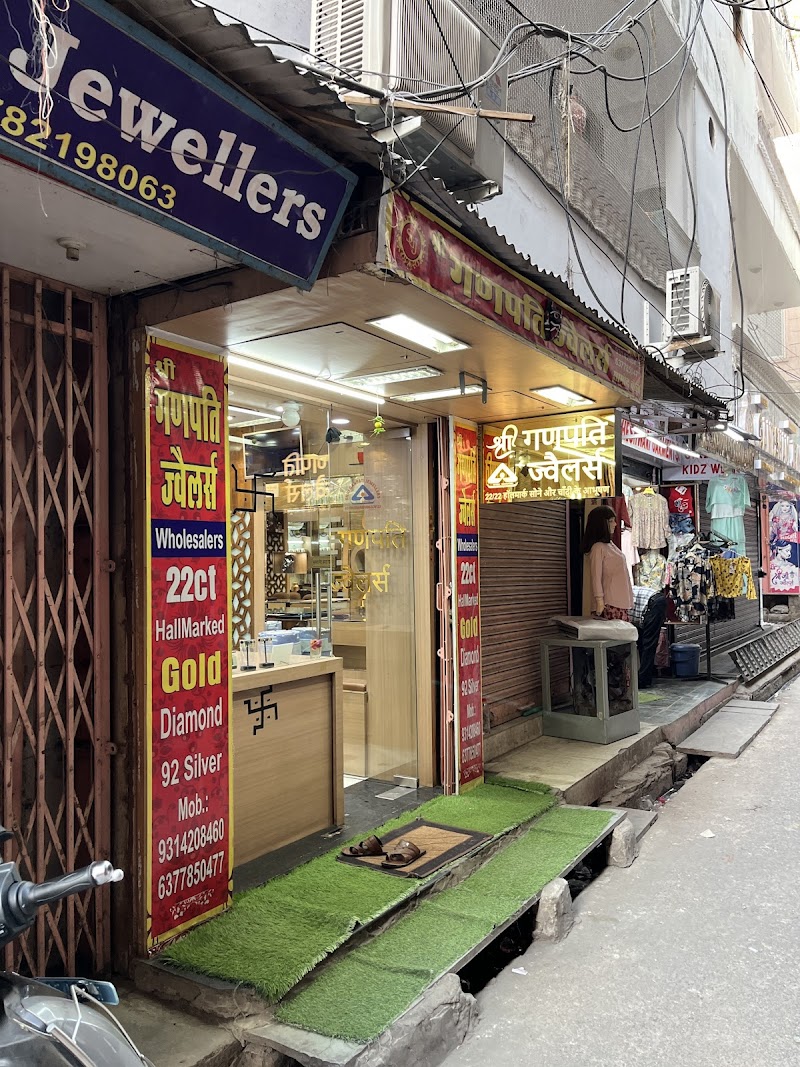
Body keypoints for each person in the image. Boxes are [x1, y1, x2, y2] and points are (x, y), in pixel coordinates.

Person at [582, 504, 634, 621]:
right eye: (611, 521)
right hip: (609, 605)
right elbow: (596, 577)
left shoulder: (610, 545)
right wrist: (599, 601)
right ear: (601, 524)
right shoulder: (598, 548)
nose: (615, 524)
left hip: (620, 603)